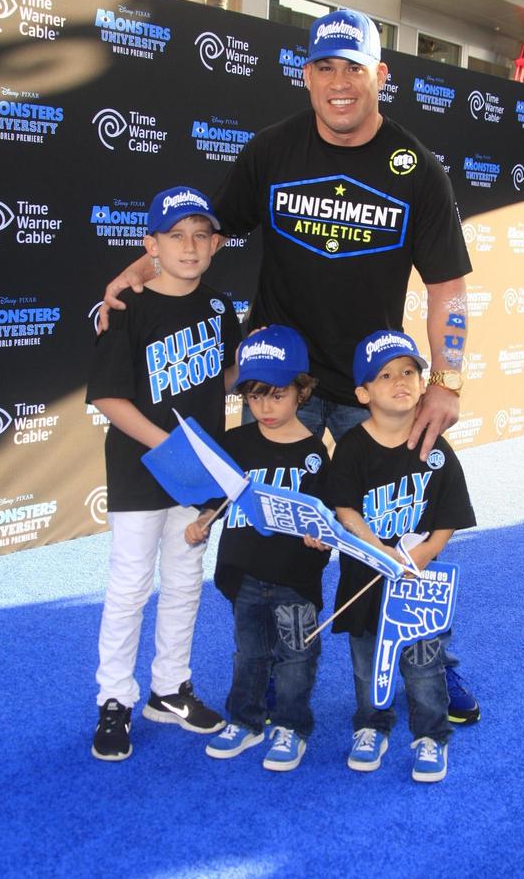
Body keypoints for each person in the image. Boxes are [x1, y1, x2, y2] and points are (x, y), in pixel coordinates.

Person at [99, 6, 478, 721]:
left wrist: (446, 382)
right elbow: (197, 237)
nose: (340, 84)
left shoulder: (415, 168)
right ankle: (275, 667)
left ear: (381, 76)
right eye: (325, 68)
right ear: (306, 76)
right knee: (274, 535)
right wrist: (134, 275)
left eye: (355, 69)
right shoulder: (272, 152)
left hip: (377, 389)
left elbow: (448, 289)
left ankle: (429, 660)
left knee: (398, 530)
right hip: (279, 381)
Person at [86, 186, 241, 761]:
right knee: (130, 586)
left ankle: (169, 689)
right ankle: (115, 699)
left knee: (183, 581)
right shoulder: (127, 305)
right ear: (150, 244)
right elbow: (108, 397)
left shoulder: (221, 307)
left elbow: (218, 379)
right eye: (175, 235)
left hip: (198, 474)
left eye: (202, 235)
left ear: (217, 243)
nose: (190, 246)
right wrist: (174, 447)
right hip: (141, 467)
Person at [327, 330, 476, 782]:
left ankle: (431, 735)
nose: (400, 381)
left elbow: (450, 511)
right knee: (367, 662)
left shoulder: (434, 446)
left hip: (417, 585)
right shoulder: (352, 447)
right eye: (385, 375)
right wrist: (374, 546)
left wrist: (427, 551)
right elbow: (344, 506)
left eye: (409, 372)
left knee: (424, 664)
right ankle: (372, 725)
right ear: (362, 392)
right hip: (366, 578)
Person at [184, 325, 330, 772]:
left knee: (296, 657)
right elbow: (219, 498)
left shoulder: (314, 454)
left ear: (301, 392)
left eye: (277, 394)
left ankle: (291, 726)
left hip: (295, 579)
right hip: (245, 573)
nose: (265, 407)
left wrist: (320, 540)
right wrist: (202, 520)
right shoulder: (236, 443)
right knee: (248, 655)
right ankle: (245, 720)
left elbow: (324, 522)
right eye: (254, 396)